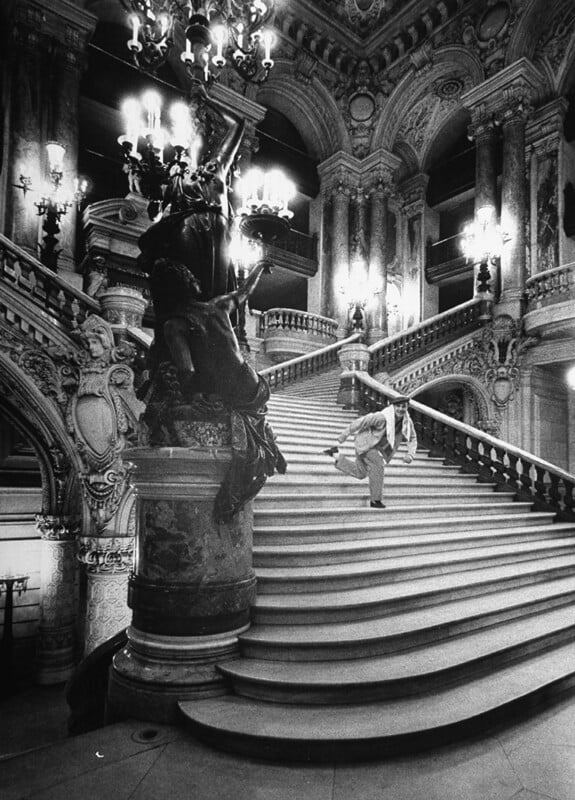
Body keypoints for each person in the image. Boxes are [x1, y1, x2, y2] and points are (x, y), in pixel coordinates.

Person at [137, 83, 245, 301]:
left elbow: (238, 125)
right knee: (192, 291)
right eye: (193, 131)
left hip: (219, 232)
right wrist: (154, 187)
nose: (197, 136)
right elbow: (154, 212)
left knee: (218, 297)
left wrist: (207, 100)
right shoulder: (176, 173)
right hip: (188, 226)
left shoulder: (218, 165)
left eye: (202, 131)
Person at [323, 395, 417, 508]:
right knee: (378, 466)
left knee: (360, 473)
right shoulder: (381, 417)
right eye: (398, 406)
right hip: (365, 444)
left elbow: (412, 438)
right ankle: (375, 500)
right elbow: (362, 421)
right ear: (393, 407)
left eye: (404, 407)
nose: (401, 409)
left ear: (407, 407)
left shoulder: (407, 422)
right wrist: (344, 434)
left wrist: (410, 454)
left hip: (376, 447)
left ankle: (335, 455)